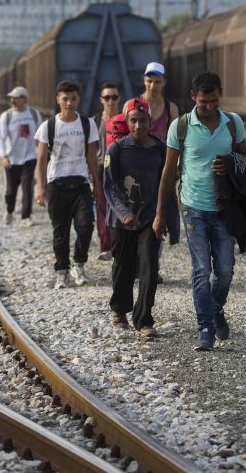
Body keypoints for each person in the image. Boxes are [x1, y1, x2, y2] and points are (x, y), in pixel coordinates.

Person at [153, 72, 246, 351]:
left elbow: (245, 161)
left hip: (224, 208)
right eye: (204, 102)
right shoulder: (180, 126)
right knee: (202, 269)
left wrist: (229, 162)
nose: (209, 107)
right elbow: (168, 172)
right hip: (193, 207)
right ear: (193, 97)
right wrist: (160, 213)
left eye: (214, 101)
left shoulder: (233, 123)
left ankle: (215, 309)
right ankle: (205, 326)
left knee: (225, 270)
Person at [103, 99, 167, 337]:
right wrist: (124, 213)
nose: (138, 125)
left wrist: (165, 217)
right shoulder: (117, 149)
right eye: (133, 120)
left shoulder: (161, 149)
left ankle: (144, 320)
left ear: (150, 121)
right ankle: (120, 311)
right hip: (121, 221)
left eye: (142, 120)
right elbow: (109, 187)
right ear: (127, 122)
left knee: (150, 265)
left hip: (149, 218)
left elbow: (167, 186)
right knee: (124, 267)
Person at [34, 80, 101, 289]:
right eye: (65, 99)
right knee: (60, 231)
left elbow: (92, 156)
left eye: (73, 99)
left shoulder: (87, 124)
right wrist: (40, 186)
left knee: (86, 225)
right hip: (57, 185)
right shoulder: (48, 126)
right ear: (58, 100)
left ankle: (78, 265)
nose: (69, 103)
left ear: (78, 99)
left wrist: (97, 184)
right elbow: (41, 160)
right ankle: (62, 271)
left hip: (81, 183)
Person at [0, 86, 41, 227]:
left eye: (16, 98)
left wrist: (41, 153)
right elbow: (1, 138)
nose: (12, 101)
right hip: (12, 159)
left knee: (27, 189)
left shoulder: (34, 114)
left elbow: (40, 135)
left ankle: (25, 217)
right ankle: (9, 211)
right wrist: (4, 156)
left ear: (24, 99)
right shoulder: (7, 116)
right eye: (11, 98)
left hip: (29, 157)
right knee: (10, 191)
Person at [92, 83, 121, 259]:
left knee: (119, 208)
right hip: (101, 169)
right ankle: (106, 246)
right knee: (102, 208)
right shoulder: (94, 122)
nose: (111, 101)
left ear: (119, 99)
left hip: (120, 170)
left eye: (114, 97)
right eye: (107, 97)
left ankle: (119, 245)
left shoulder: (125, 120)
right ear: (101, 100)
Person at [141, 62, 179, 139]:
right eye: (149, 81)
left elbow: (174, 140)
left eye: (157, 82)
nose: (152, 86)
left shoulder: (171, 109)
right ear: (144, 80)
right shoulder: (130, 105)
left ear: (164, 83)